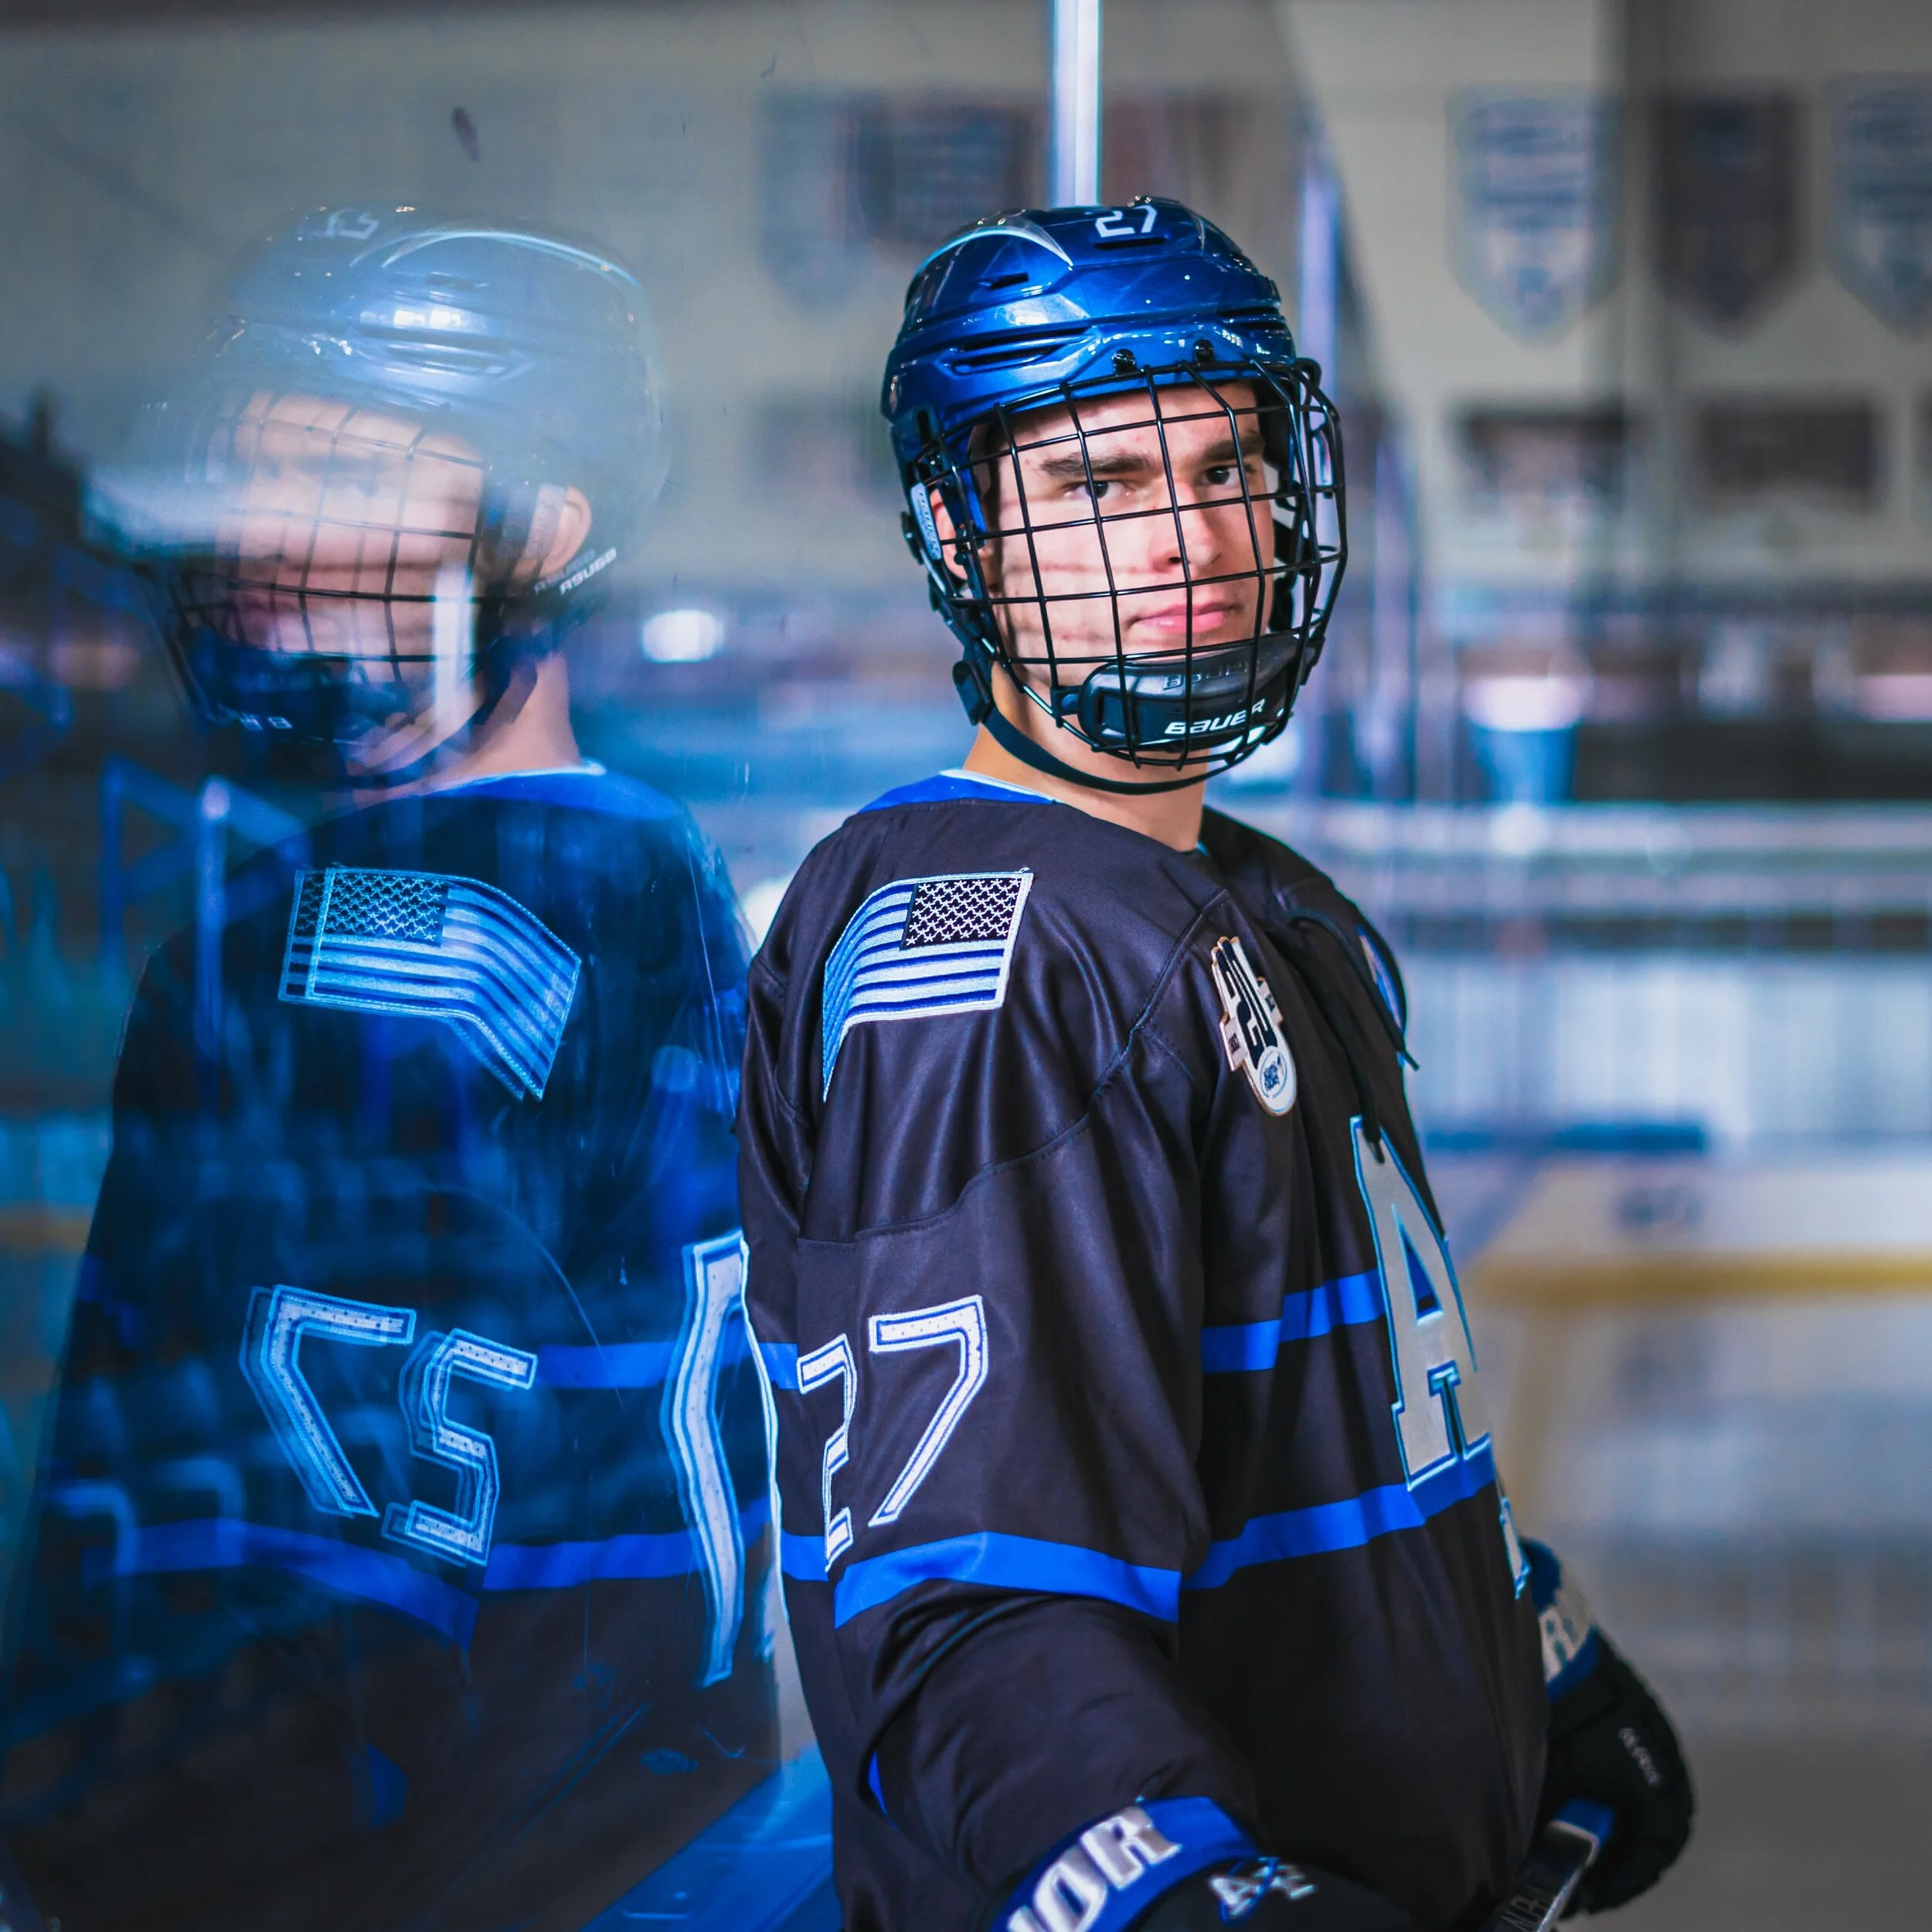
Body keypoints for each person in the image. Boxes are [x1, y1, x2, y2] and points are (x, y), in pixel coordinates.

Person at [737, 198, 1693, 1932]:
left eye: (1225, 464)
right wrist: (1172, 1887)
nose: (1190, 536)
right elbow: (962, 1602)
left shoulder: (1256, 897)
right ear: (960, 532)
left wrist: (1532, 1645)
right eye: (1099, 484)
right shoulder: (990, 956)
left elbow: (1319, 1427)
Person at [0, 208, 775, 1930]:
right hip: (611, 1836)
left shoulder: (344, 932)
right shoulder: (642, 872)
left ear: (544, 530)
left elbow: (280, 1653)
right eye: (252, 473)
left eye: (343, 472)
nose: (267, 533)